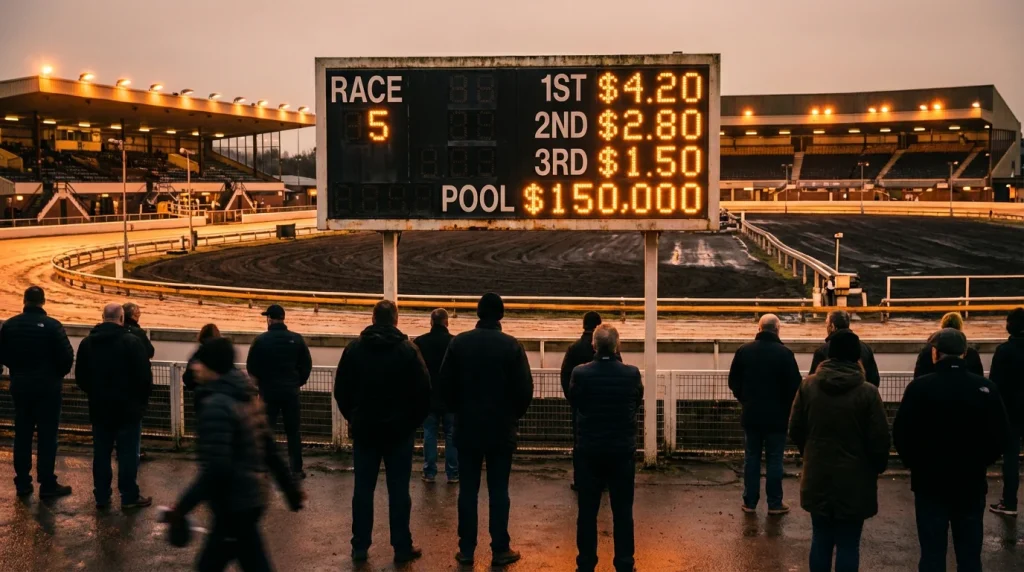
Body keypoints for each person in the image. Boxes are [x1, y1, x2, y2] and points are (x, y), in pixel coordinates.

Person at [165, 337, 304, 572]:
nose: (195, 367)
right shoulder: (245, 395)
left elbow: (216, 469)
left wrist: (182, 507)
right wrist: (290, 489)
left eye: (200, 363)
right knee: (252, 560)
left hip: (233, 503)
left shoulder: (216, 405)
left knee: (212, 564)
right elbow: (268, 447)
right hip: (250, 498)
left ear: (212, 367)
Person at [894, 328, 1009, 572]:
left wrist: (914, 463)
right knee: (969, 554)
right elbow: (1001, 435)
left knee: (932, 554)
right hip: (970, 481)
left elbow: (902, 433)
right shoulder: (985, 388)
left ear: (935, 353)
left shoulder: (919, 388)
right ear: (965, 353)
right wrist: (982, 461)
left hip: (929, 481)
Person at [438, 292, 534, 566]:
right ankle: (500, 548)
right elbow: (524, 390)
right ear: (500, 315)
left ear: (478, 313)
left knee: (467, 490)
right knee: (499, 491)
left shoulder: (459, 343)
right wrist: (511, 415)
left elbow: (445, 386)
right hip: (500, 430)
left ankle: (466, 549)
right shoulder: (512, 346)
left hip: (467, 428)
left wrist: (459, 410)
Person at [334, 300, 431, 563]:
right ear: (396, 320)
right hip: (399, 434)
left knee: (362, 490)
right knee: (399, 491)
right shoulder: (409, 351)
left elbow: (341, 391)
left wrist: (354, 418)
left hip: (365, 431)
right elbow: (424, 393)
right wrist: (410, 423)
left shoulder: (354, 349)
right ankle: (401, 547)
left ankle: (360, 547)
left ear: (373, 318)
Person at [789, 330, 890, 572]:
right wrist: (876, 467)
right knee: (848, 543)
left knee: (821, 539)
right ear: (857, 357)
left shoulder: (808, 387)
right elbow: (880, 438)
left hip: (817, 475)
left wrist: (810, 454)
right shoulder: (867, 392)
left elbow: (795, 428)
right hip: (855, 480)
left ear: (829, 354)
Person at [569, 324, 643, 572]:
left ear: (593, 346)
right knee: (623, 512)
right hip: (621, 452)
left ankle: (586, 563)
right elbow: (636, 402)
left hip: (589, 451)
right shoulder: (631, 374)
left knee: (587, 512)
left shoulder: (580, 373)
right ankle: (624, 562)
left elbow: (575, 402)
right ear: (617, 345)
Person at [75, 303, 154, 509]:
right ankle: (128, 496)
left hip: (100, 409)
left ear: (102, 317)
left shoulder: (87, 343)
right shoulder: (132, 342)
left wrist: (95, 394)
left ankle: (102, 496)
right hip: (128, 411)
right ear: (121, 319)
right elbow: (145, 378)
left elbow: (81, 378)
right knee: (128, 455)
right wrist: (140, 404)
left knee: (101, 454)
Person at [0, 286, 75, 498]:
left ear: (24, 301)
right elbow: (67, 358)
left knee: (22, 434)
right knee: (47, 436)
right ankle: (47, 483)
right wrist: (54, 375)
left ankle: (23, 483)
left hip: (20, 386)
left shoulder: (10, 325)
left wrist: (18, 370)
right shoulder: (52, 326)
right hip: (48, 389)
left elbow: (3, 355)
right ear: (43, 302)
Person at [728, 313, 802, 514]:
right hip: (777, 418)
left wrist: (745, 399)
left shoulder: (744, 351)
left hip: (751, 415)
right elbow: (795, 386)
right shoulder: (785, 354)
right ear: (777, 330)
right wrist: (785, 406)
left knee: (751, 458)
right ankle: (775, 503)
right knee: (775, 459)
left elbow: (733, 381)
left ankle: (749, 502)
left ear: (759, 329)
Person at [245, 304, 312, 479]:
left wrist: (262, 384)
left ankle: (265, 468)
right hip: (291, 392)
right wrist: (297, 382)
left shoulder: (260, 341)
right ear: (283, 318)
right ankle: (296, 470)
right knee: (293, 432)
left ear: (269, 319)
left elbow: (251, 366)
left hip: (269, 392)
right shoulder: (297, 339)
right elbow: (306, 365)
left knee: (267, 431)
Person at [414, 308, 458, 484]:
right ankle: (453, 473)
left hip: (429, 397)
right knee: (451, 435)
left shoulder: (420, 342)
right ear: (447, 322)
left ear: (431, 322)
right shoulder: (455, 342)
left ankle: (429, 472)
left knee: (430, 433)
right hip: (450, 398)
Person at [560, 311, 603, 491]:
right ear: (599, 326)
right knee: (601, 442)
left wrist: (573, 400)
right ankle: (602, 480)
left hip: (580, 406)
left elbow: (565, 376)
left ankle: (580, 481)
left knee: (579, 444)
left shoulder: (574, 348)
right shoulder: (607, 348)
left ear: (583, 325)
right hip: (602, 407)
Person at [989, 307, 1024, 517]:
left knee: (1010, 459)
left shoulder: (1004, 351)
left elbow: (995, 384)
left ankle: (1009, 502)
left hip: (1011, 413)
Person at [809, 310, 880, 386]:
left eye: (827, 323)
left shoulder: (822, 350)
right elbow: (874, 380)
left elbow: (813, 382)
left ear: (832, 326)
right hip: (858, 395)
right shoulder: (866, 348)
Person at [913, 312, 984, 378]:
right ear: (960, 325)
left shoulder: (928, 350)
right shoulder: (971, 352)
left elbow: (918, 375)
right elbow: (979, 375)